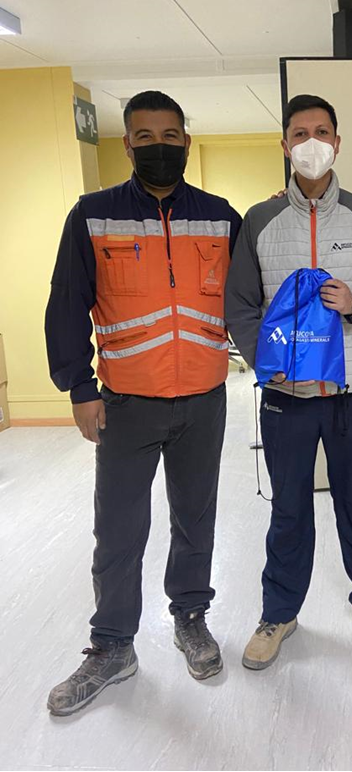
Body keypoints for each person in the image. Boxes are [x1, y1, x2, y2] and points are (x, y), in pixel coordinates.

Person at [45, 90, 242, 715]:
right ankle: (111, 646)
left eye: (170, 135)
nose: (160, 146)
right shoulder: (93, 215)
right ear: (128, 145)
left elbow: (247, 300)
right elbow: (66, 302)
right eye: (146, 137)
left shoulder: (220, 217)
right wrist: (79, 388)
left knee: (196, 518)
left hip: (205, 399)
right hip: (127, 402)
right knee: (120, 528)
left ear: (186, 141)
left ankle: (191, 618)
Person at [225, 94, 352, 669]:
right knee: (288, 510)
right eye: (299, 134)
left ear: (337, 143)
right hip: (287, 398)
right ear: (285, 146)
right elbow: (240, 306)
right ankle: (279, 613)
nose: (311, 143)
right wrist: (265, 361)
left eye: (321, 132)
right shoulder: (260, 220)